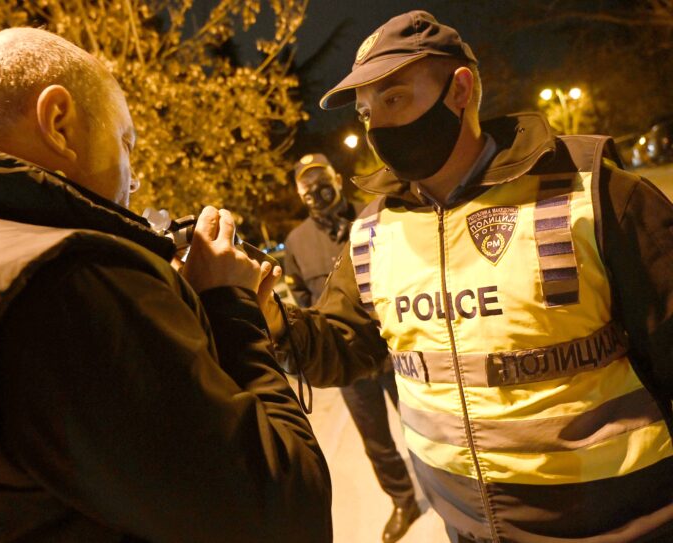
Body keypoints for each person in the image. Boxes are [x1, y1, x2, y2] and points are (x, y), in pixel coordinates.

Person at [0, 27, 332, 542]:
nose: (133, 181)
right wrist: (231, 307)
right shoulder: (68, 281)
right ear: (58, 122)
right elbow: (291, 513)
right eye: (124, 141)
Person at [262, 10, 673, 543]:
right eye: (365, 113)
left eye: (393, 99)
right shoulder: (372, 232)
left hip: (626, 526)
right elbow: (342, 349)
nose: (377, 127)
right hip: (468, 529)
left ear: (460, 89)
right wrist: (267, 313)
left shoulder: (590, 191)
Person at [283, 153, 420, 542]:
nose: (315, 189)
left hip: (395, 349)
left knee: (423, 425)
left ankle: (444, 486)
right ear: (297, 192)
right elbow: (300, 297)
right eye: (305, 184)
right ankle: (403, 500)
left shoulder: (376, 217)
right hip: (344, 359)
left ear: (338, 179)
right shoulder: (295, 242)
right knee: (376, 439)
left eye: (321, 179)